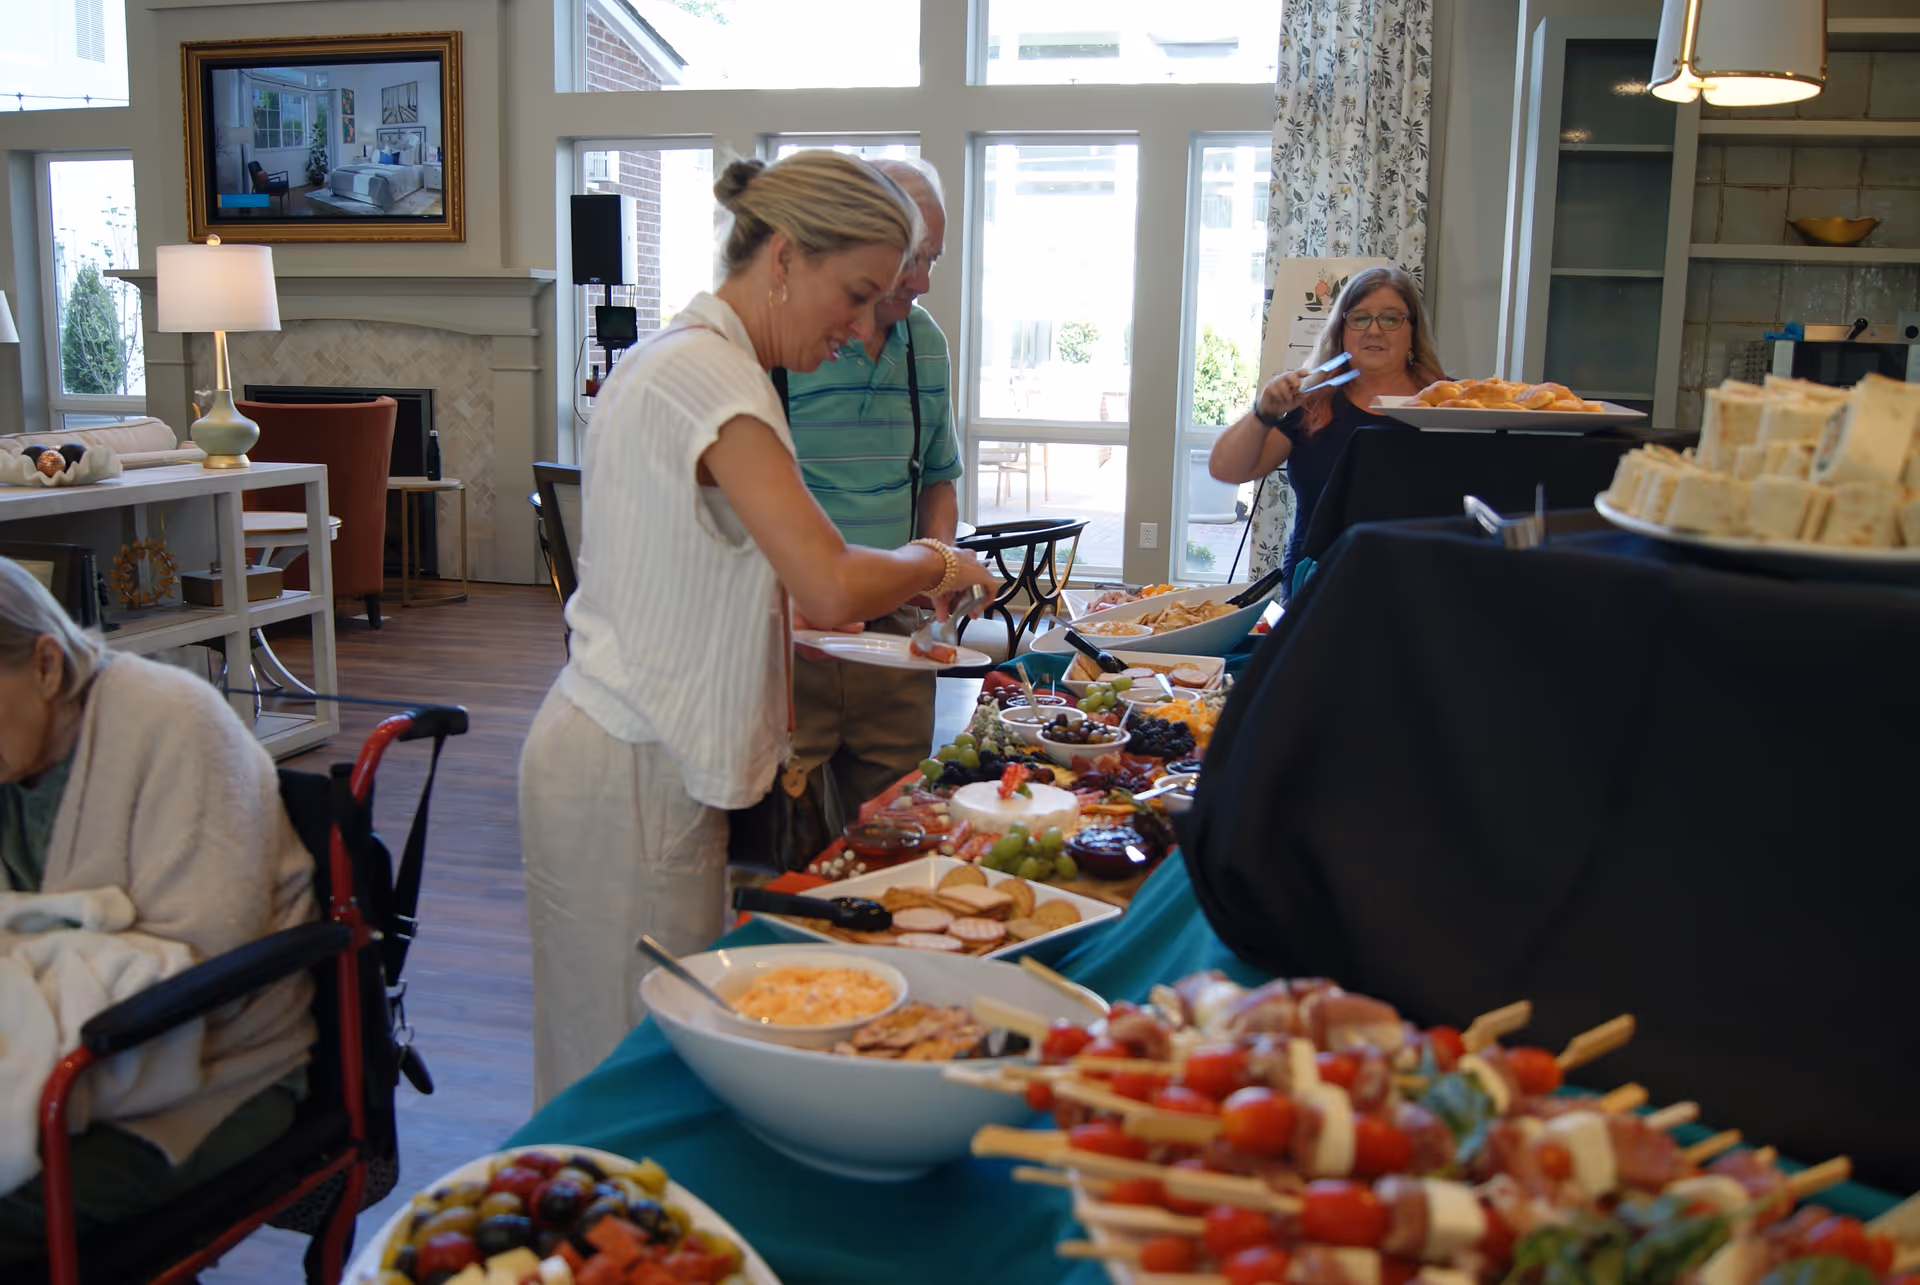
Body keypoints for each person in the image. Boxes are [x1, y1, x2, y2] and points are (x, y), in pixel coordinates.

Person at [517, 151, 997, 1105]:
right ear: (784, 255)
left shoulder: (695, 361)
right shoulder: (714, 379)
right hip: (628, 763)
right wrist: (938, 561)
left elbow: (719, 579)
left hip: (637, 753)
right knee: (628, 1062)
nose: (864, 331)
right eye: (857, 295)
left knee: (626, 1048)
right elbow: (826, 579)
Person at [0, 557, 316, 1267]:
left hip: (215, 1071)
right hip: (61, 1063)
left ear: (45, 665)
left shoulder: (175, 720)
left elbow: (201, 954)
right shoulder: (11, 760)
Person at [782, 157, 961, 815]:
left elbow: (938, 476)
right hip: (791, 636)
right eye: (912, 258)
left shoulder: (927, 346)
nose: (922, 281)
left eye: (933, 260)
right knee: (787, 825)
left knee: (894, 816)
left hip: (895, 633)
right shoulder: (787, 346)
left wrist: (939, 570)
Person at [1209, 265, 1445, 598]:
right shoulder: (1314, 402)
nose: (1373, 331)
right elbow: (1226, 469)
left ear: (1412, 330)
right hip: (1318, 589)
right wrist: (1263, 412)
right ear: (1341, 330)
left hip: (1417, 588)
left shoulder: (1450, 403)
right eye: (1360, 318)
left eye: (1390, 318)